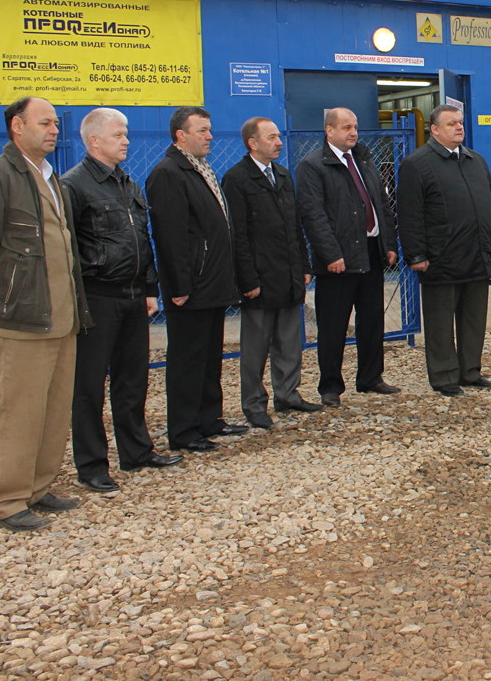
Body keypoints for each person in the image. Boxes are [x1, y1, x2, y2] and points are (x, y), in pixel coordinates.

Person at [0, 97, 93, 531]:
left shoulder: (51, 177)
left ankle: (37, 488)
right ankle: (7, 502)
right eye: (44, 122)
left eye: (55, 123)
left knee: (52, 409)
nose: (54, 130)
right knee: (19, 412)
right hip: (21, 318)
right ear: (17, 126)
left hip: (61, 317)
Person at [61, 108, 180, 494]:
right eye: (118, 134)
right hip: (97, 297)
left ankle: (136, 452)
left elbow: (142, 240)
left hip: (132, 297)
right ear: (94, 140)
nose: (126, 140)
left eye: (125, 134)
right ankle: (92, 465)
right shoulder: (74, 186)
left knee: (132, 379)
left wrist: (149, 288)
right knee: (89, 386)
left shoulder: (127, 183)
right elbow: (66, 247)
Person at [146, 106, 247, 452]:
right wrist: (179, 286)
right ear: (181, 135)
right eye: (202, 130)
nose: (209, 136)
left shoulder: (200, 168)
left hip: (213, 281)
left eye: (209, 129)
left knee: (209, 356)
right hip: (191, 285)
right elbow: (169, 236)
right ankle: (184, 430)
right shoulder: (168, 173)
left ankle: (209, 419)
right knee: (188, 360)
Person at [296, 107, 400, 407]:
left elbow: (381, 205)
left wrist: (388, 243)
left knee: (372, 321)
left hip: (370, 252)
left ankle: (370, 377)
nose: (353, 132)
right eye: (346, 127)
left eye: (355, 127)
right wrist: (331, 254)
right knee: (333, 325)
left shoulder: (364, 160)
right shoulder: (313, 165)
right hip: (338, 260)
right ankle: (330, 386)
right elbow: (313, 215)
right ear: (329, 131)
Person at [398, 105, 491, 395]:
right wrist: (416, 254)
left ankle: (470, 371)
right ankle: (444, 376)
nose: (459, 127)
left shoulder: (475, 160)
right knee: (440, 321)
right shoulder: (417, 164)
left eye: (460, 122)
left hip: (477, 254)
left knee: (473, 319)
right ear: (434, 130)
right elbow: (409, 214)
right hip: (441, 257)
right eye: (451, 123)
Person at [223, 117, 321, 427]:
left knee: (289, 341)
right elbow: (237, 234)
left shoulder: (282, 175)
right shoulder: (237, 179)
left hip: (288, 274)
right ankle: (254, 404)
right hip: (260, 278)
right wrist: (247, 278)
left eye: (279, 136)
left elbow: (294, 225)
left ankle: (287, 394)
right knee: (255, 347)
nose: (279, 142)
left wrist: (303, 265)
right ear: (252, 143)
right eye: (272, 137)